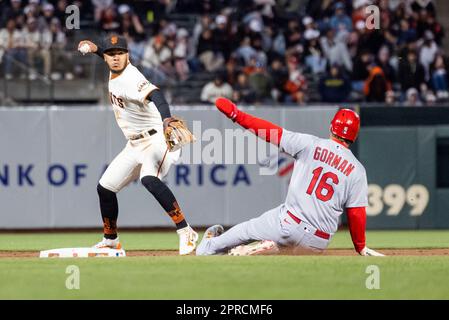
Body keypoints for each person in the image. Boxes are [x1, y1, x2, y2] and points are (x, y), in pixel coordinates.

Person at [196, 97, 384, 257]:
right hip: (319, 242)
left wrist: (237, 115)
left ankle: (207, 248)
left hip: (289, 224)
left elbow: (269, 131)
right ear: (355, 135)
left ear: (331, 127)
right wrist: (360, 247)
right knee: (288, 244)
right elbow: (356, 213)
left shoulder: (309, 144)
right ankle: (269, 246)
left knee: (248, 229)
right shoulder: (357, 170)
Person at [77, 35, 198, 255]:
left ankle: (186, 230)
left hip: (157, 139)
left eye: (120, 53)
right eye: (111, 54)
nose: (116, 58)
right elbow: (105, 52)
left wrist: (167, 119)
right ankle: (110, 239)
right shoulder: (114, 68)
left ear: (128, 56)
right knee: (105, 188)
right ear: (105, 57)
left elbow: (156, 94)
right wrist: (95, 48)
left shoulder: (131, 77)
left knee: (149, 179)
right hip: (133, 145)